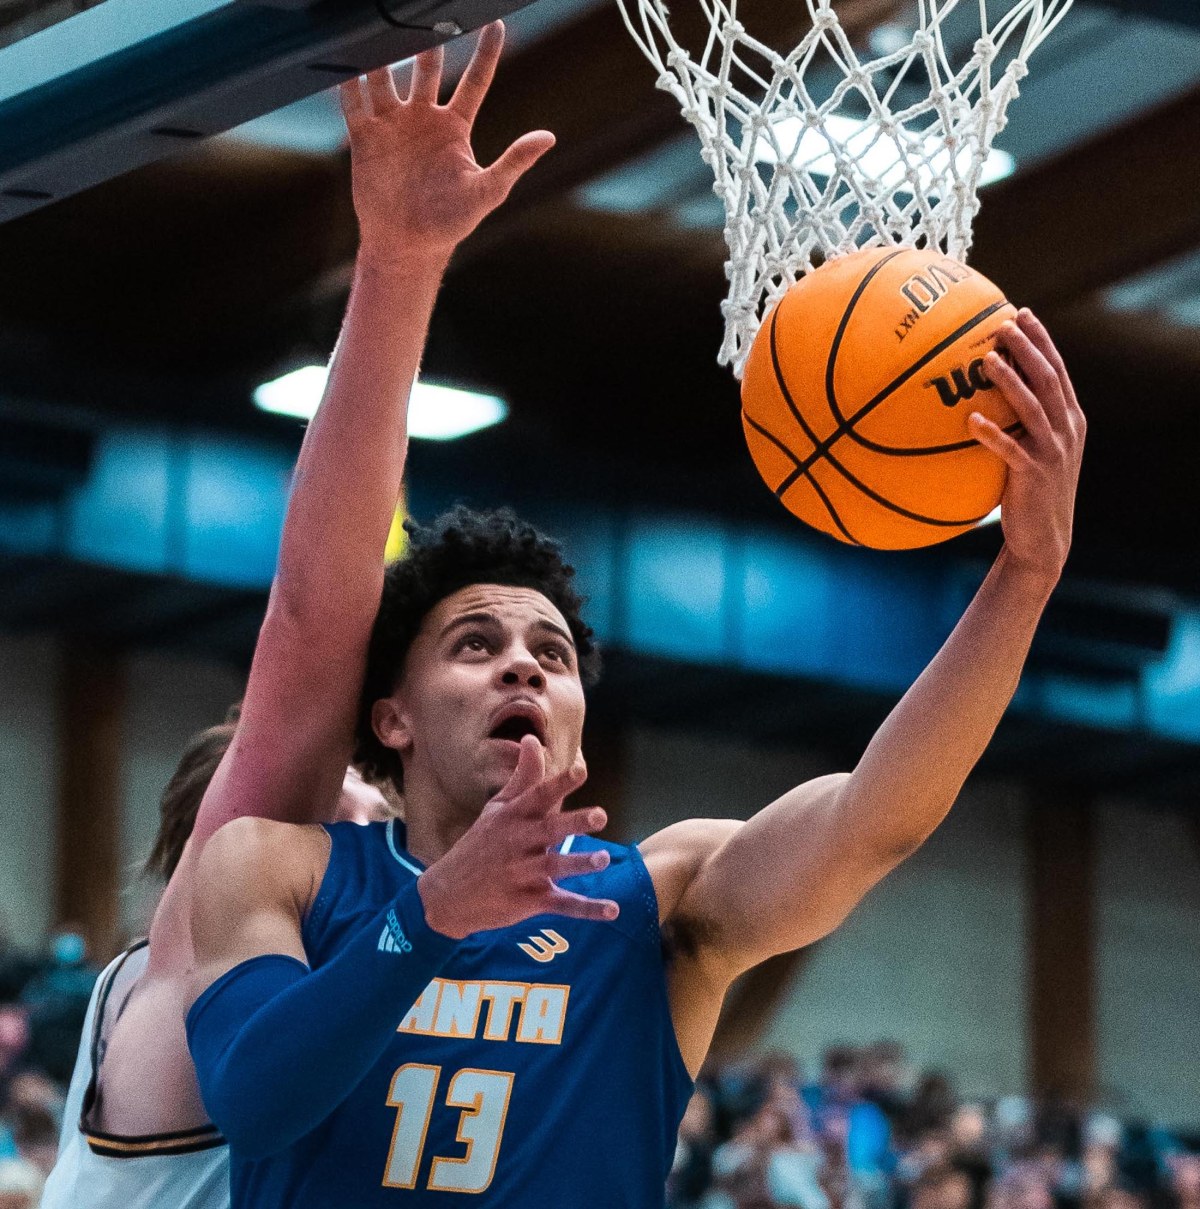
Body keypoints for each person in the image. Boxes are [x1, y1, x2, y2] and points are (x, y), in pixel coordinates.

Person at [184, 20, 1086, 1209]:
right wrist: (434, 915)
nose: (524, 669)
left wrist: (1020, 580)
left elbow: (875, 822)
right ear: (390, 717)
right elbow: (254, 1098)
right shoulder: (284, 870)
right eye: (477, 644)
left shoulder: (656, 901)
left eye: (550, 655)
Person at [40, 709, 391, 1207]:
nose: (360, 849)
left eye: (375, 826)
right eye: (335, 824)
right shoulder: (186, 971)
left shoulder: (342, 973)